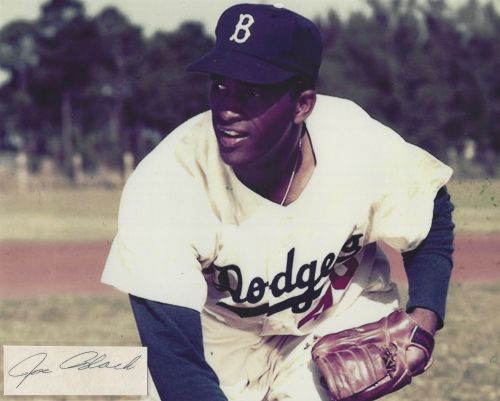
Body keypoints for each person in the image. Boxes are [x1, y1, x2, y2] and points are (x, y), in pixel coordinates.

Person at [101, 3, 454, 401]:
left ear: (303, 105)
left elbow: (430, 207)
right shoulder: (166, 186)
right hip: (219, 340)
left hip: (332, 320)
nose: (227, 109)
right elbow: (177, 362)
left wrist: (425, 318)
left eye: (251, 91)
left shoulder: (355, 142)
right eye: (220, 85)